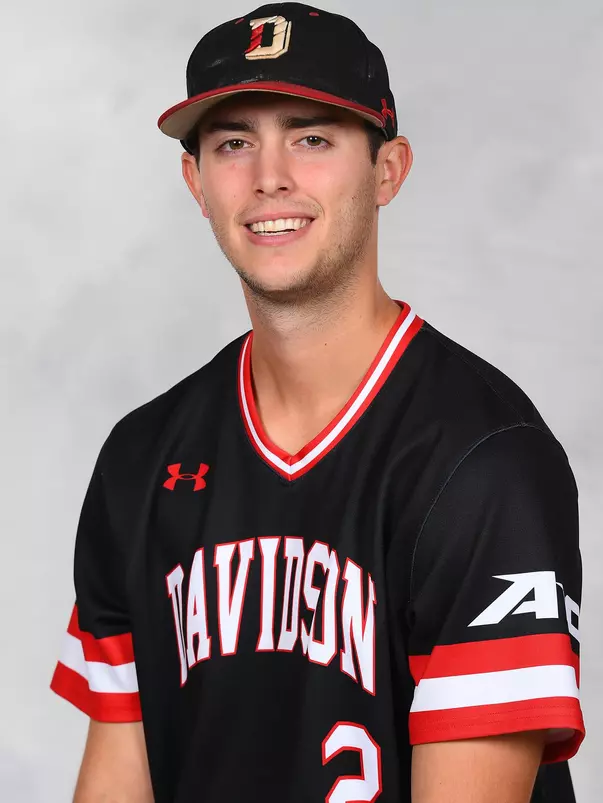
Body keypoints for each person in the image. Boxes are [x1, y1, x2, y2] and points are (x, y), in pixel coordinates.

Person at [50, 3, 585, 802]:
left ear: (387, 170)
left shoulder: (483, 461)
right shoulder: (140, 458)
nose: (270, 175)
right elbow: (117, 778)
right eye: (234, 142)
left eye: (311, 137)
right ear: (195, 181)